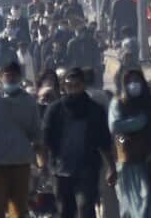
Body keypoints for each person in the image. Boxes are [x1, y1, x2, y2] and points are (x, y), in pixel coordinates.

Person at [41, 67, 115, 218]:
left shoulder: (95, 110)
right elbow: (45, 139)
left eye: (77, 85)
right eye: (70, 85)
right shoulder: (55, 110)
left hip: (87, 168)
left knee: (85, 208)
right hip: (61, 169)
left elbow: (104, 141)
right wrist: (43, 164)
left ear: (83, 85)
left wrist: (111, 167)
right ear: (64, 86)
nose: (73, 89)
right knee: (65, 211)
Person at [0, 61, 42, 218]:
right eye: (7, 76)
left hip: (21, 163)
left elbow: (37, 133)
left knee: (19, 212)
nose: (11, 79)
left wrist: (41, 160)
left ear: (20, 77)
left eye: (14, 76)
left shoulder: (29, 101)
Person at [108, 68, 151, 218]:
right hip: (127, 162)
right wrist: (140, 121)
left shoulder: (149, 103)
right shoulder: (118, 103)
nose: (134, 85)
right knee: (130, 206)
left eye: (137, 81)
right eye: (130, 82)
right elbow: (115, 126)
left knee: (150, 204)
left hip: (147, 160)